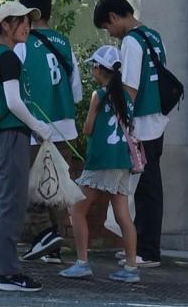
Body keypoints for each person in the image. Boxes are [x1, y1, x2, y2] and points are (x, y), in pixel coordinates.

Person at [0, 1, 54, 292]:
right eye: (20, 21)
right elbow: (13, 102)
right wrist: (39, 126)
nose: (27, 26)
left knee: (2, 205)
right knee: (11, 205)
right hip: (11, 136)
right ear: (4, 25)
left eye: (28, 21)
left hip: (0, 137)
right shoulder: (8, 58)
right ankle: (9, 274)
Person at [93, 0, 167, 268]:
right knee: (148, 186)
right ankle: (140, 248)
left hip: (141, 124)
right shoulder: (154, 36)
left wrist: (122, 123)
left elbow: (130, 88)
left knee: (145, 189)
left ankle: (147, 251)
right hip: (157, 118)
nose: (110, 34)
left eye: (107, 27)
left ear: (114, 17)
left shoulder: (132, 42)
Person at [59, 46, 139, 282]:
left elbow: (87, 129)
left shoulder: (99, 95)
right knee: (123, 216)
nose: (92, 70)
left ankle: (82, 262)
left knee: (77, 209)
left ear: (99, 69)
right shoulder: (128, 96)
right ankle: (131, 267)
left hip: (101, 160)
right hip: (121, 160)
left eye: (93, 66)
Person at [15, 0, 83, 263]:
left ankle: (44, 236)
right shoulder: (63, 42)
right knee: (57, 188)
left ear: (29, 14)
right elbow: (76, 91)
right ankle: (53, 247)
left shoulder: (22, 44)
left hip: (36, 125)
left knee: (30, 184)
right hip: (65, 125)